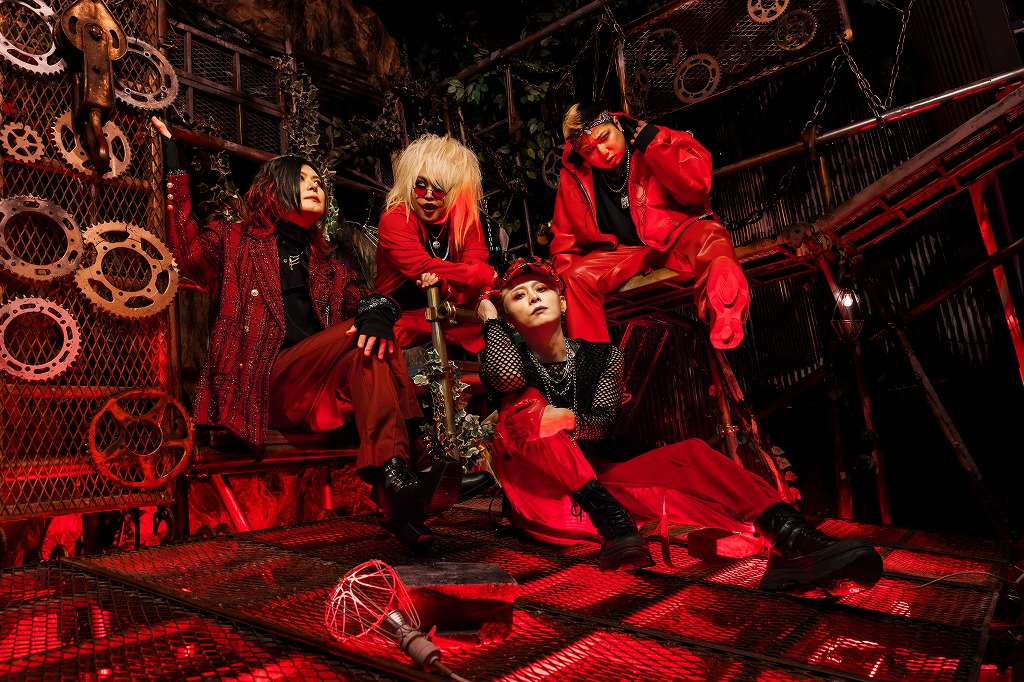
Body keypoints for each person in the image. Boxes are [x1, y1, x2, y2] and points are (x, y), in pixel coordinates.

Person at [476, 257, 883, 597]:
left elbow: (602, 426)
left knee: (692, 454)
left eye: (541, 289)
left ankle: (789, 539)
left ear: (563, 302)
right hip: (543, 499)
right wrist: (491, 321)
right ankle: (612, 520)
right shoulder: (509, 362)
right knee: (521, 407)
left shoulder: (602, 357)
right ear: (509, 317)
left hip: (605, 499)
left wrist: (566, 419)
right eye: (518, 296)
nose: (533, 298)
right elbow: (506, 380)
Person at [153, 117, 465, 550]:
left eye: (318, 180)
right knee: (363, 329)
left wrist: (377, 311)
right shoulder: (234, 241)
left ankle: (397, 489)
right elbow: (185, 252)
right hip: (262, 388)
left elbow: (365, 299)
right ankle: (420, 445)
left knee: (369, 350)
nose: (315, 185)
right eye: (302, 179)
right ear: (273, 189)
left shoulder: (328, 265)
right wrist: (175, 165)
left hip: (317, 396)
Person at [550, 101, 750, 349]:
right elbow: (565, 239)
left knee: (711, 238)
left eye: (604, 137)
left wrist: (654, 145)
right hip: (624, 252)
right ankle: (595, 362)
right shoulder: (573, 175)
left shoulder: (654, 136)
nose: (602, 152)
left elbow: (698, 187)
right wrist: (563, 286)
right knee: (576, 278)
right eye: (589, 150)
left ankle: (726, 314)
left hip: (678, 232)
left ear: (616, 123)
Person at [374, 134, 496, 353]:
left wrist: (476, 287)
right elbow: (422, 267)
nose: (429, 195)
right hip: (400, 319)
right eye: (421, 186)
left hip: (451, 314)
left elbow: (478, 267)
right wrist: (478, 275)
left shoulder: (465, 221)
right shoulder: (395, 217)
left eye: (439, 189)